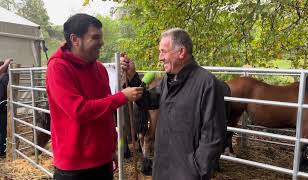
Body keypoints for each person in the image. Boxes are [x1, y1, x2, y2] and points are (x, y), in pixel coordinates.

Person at [121, 28, 227, 180]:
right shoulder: (168, 80)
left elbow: (213, 137)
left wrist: (196, 171)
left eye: (163, 51)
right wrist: (132, 76)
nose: (160, 58)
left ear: (181, 52)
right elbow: (149, 101)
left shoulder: (208, 84)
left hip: (187, 174)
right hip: (162, 169)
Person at [46, 14, 143, 180]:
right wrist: (121, 97)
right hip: (75, 167)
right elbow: (79, 110)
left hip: (102, 160)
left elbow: (105, 114)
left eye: (101, 37)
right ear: (75, 39)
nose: (102, 42)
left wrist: (111, 149)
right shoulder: (58, 68)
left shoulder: (99, 68)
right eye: (95, 37)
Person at [0, 58, 13, 158]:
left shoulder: (5, 77)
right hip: (3, 106)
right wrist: (6, 63)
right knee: (3, 129)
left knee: (3, 128)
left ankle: (2, 149)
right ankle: (2, 150)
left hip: (3, 105)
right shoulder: (6, 77)